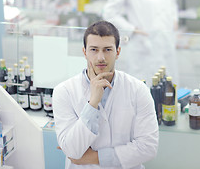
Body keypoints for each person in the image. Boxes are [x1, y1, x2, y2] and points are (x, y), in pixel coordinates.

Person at [53, 21, 159, 169]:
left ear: (118, 52)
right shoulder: (64, 91)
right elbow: (72, 150)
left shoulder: (138, 90)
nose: (100, 57)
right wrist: (93, 103)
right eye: (94, 50)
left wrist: (94, 157)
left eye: (107, 49)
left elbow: (148, 147)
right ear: (85, 52)